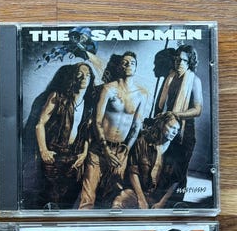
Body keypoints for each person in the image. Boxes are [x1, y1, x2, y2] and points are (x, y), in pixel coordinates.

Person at [79, 52, 148, 209]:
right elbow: (97, 121)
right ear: (119, 67)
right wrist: (105, 150)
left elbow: (136, 126)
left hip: (120, 151)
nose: (128, 65)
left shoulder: (141, 94)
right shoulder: (108, 89)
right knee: (87, 197)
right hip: (99, 148)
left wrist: (126, 151)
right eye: (125, 62)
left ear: (136, 68)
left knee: (112, 196)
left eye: (132, 63)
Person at [23, 62, 96, 209]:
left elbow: (86, 132)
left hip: (74, 158)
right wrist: (44, 151)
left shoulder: (89, 104)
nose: (84, 78)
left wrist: (84, 154)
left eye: (88, 75)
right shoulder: (58, 97)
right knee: (46, 199)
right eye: (80, 74)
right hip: (54, 154)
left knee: (66, 201)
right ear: (73, 77)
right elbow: (39, 124)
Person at [155, 45, 203, 201]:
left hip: (184, 132)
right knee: (164, 169)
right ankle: (160, 204)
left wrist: (176, 114)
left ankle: (177, 205)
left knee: (178, 172)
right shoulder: (170, 78)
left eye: (184, 60)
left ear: (190, 62)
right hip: (168, 129)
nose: (179, 62)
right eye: (177, 59)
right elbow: (161, 104)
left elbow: (197, 110)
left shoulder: (194, 80)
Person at [112, 112, 181, 209]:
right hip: (138, 192)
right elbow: (133, 172)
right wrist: (141, 199)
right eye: (172, 127)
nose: (175, 132)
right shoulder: (143, 142)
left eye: (177, 129)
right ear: (162, 125)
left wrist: (162, 203)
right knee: (119, 202)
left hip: (160, 197)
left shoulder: (176, 150)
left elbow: (175, 181)